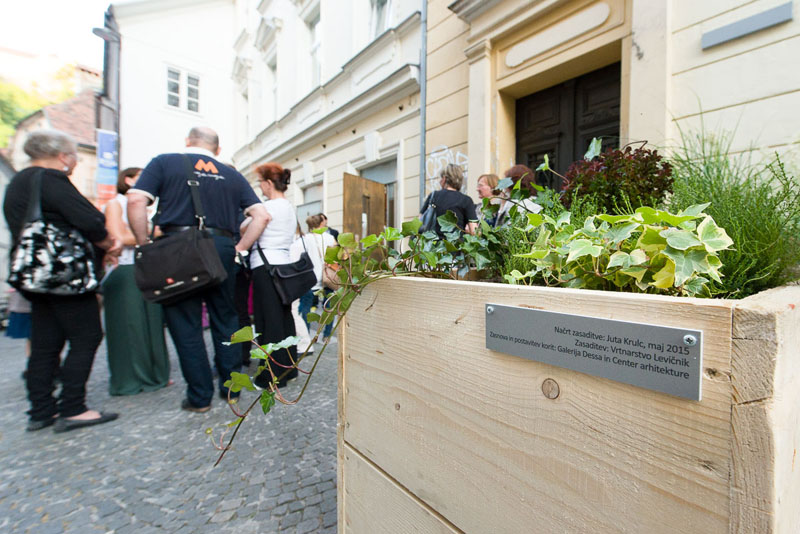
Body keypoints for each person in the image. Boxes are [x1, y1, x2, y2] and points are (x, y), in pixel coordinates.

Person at [127, 127, 269, 413]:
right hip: (222, 247)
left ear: (187, 141)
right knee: (226, 319)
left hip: (177, 246)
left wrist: (143, 244)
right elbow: (262, 215)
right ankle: (232, 389)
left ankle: (200, 397)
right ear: (217, 149)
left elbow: (135, 200)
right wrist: (240, 248)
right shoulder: (231, 174)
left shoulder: (165, 162)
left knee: (185, 323)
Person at [3, 129, 122, 432]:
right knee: (87, 336)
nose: (75, 163)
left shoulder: (18, 182)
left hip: (34, 276)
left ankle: (40, 411)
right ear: (62, 156)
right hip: (64, 275)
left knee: (45, 342)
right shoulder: (51, 179)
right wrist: (108, 243)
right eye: (74, 157)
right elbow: (90, 220)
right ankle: (73, 407)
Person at [102, 167, 170, 395]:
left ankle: (155, 375)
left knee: (152, 324)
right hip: (125, 267)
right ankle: (130, 379)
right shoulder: (116, 204)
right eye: (141, 177)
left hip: (147, 267)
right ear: (128, 180)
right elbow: (118, 237)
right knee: (130, 325)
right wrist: (154, 234)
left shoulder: (144, 209)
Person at [244, 162, 300, 388]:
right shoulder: (288, 206)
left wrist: (240, 247)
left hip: (265, 267)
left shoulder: (268, 207)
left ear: (268, 183)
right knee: (284, 319)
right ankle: (289, 369)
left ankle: (271, 376)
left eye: (260, 182)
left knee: (268, 322)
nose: (259, 187)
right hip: (283, 267)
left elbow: (248, 225)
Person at [292, 214, 336, 338]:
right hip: (327, 278)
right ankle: (327, 335)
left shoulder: (304, 239)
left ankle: (305, 336)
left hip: (309, 279)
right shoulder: (330, 238)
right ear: (321, 223)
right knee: (329, 308)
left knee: (305, 309)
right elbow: (336, 257)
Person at [419, 163, 478, 237]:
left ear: (444, 179)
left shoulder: (434, 196)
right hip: (456, 243)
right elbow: (474, 230)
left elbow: (420, 220)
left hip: (433, 242)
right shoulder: (466, 200)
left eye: (441, 178)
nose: (440, 181)